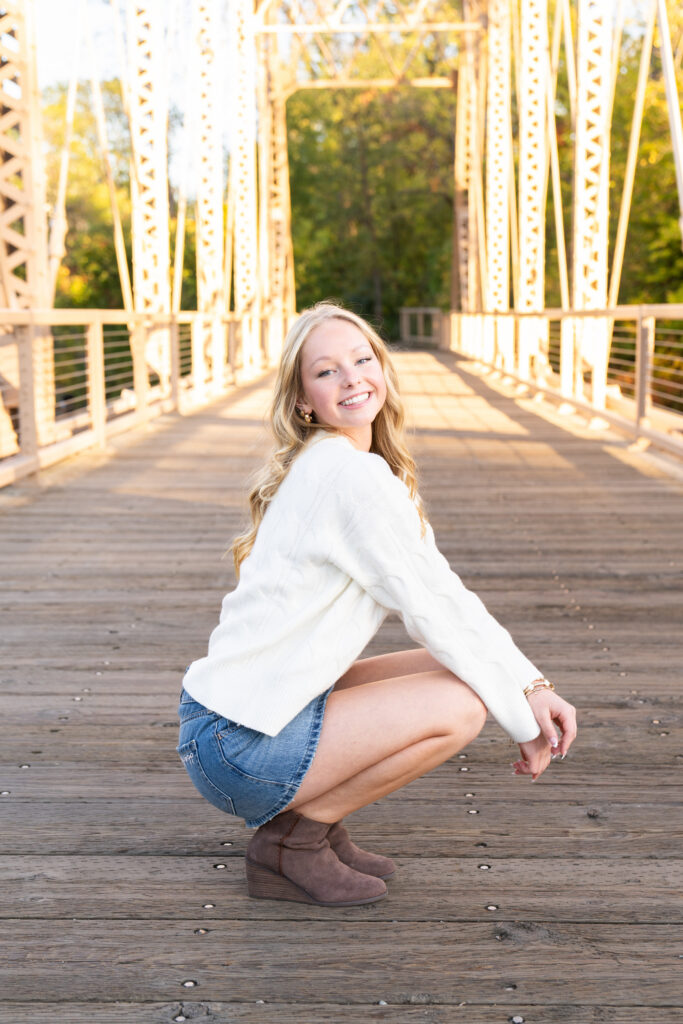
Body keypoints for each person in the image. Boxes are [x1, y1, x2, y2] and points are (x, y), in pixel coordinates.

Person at [177, 301, 577, 908]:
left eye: (362, 360)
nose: (352, 378)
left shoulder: (340, 464)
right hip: (239, 745)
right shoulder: (349, 478)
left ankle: (317, 827)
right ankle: (294, 842)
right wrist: (525, 720)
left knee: (443, 668)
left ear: (383, 370)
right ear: (302, 400)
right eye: (327, 371)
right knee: (462, 705)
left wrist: (529, 684)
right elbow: (434, 608)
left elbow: (441, 591)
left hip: (232, 722)